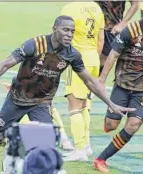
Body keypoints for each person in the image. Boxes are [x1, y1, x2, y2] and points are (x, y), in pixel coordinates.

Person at [0, 15, 135, 174]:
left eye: (72, 31)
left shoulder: (72, 54)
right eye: (65, 30)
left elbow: (89, 81)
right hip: (17, 98)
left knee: (45, 144)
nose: (69, 35)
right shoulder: (34, 44)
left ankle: (15, 166)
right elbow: (5, 64)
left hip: (41, 102)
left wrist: (110, 104)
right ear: (54, 29)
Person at [93, 1, 143, 173]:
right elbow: (113, 54)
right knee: (111, 125)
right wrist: (102, 79)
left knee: (133, 124)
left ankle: (101, 159)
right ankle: (109, 122)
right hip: (123, 84)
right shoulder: (130, 30)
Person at [60, 1, 105, 161]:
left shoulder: (69, 8)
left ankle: (79, 149)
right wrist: (95, 59)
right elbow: (101, 39)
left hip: (77, 59)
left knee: (74, 105)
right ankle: (86, 146)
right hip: (93, 58)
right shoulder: (96, 7)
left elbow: (61, 36)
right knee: (85, 104)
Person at [95, 0, 139, 73]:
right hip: (92, 25)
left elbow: (135, 3)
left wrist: (123, 23)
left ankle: (96, 82)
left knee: (103, 59)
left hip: (110, 28)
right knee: (87, 56)